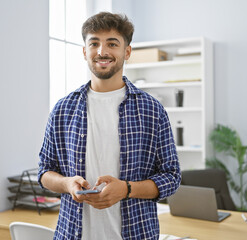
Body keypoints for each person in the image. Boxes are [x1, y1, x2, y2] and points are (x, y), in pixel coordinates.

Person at [38, 12, 181, 240]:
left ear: (127, 52)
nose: (102, 51)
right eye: (94, 43)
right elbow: (44, 171)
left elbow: (172, 177)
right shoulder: (62, 109)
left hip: (137, 234)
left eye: (112, 43)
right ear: (85, 52)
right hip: (72, 234)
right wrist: (66, 184)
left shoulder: (152, 110)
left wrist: (126, 189)